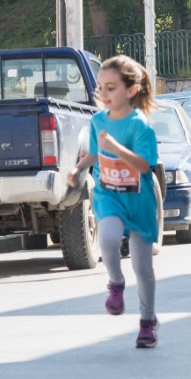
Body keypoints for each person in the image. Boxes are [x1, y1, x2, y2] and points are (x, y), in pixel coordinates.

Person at [68, 55, 162, 349]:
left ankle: (147, 321)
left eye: (111, 88)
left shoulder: (140, 125)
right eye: (101, 87)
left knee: (142, 268)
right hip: (109, 195)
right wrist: (78, 168)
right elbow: (95, 153)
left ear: (130, 90)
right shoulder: (98, 120)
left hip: (138, 201)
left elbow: (145, 165)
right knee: (107, 239)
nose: (104, 93)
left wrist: (116, 147)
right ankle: (116, 283)